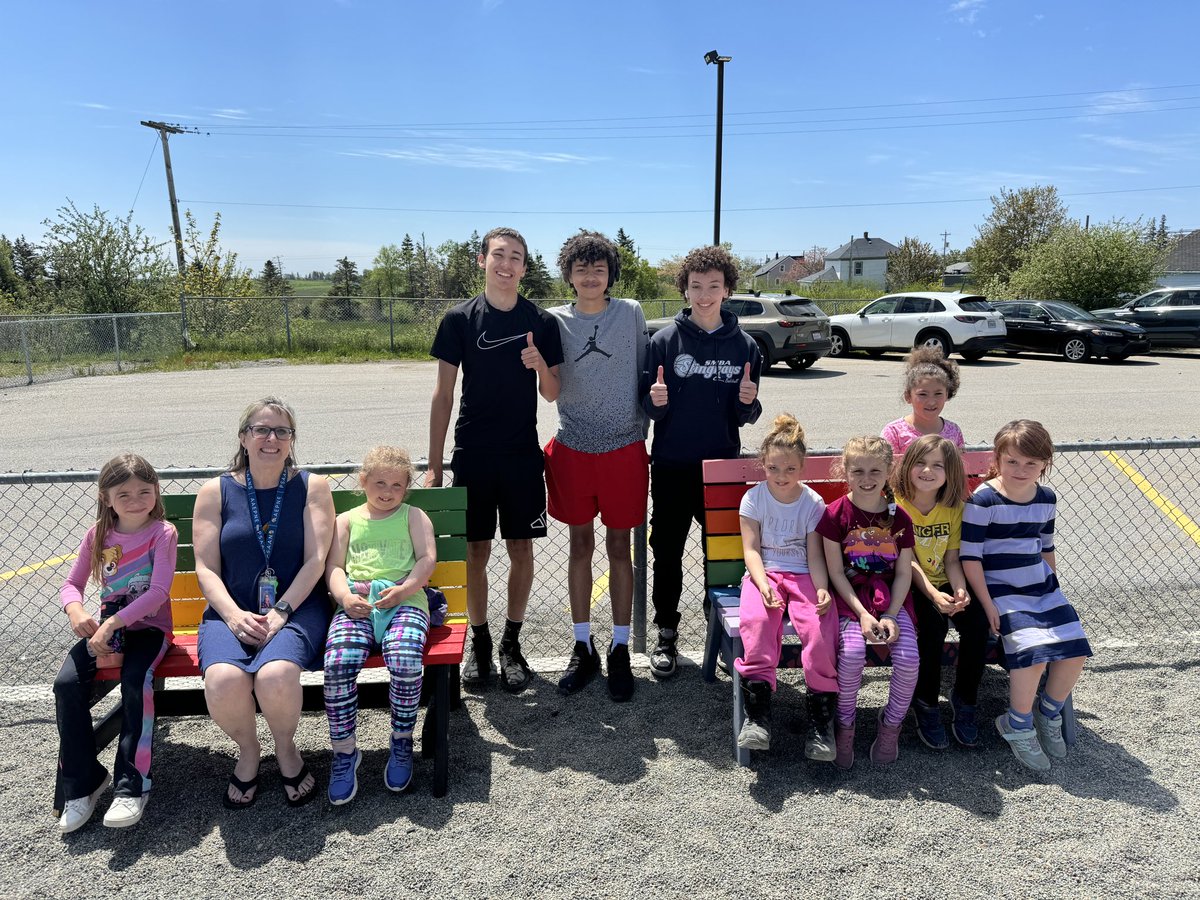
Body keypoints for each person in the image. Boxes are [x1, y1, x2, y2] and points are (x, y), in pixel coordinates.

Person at [429, 227, 564, 693]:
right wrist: (433, 464)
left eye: (516, 258)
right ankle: (480, 643)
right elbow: (443, 395)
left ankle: (511, 643)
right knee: (475, 551)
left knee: (521, 549)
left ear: (525, 268)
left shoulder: (541, 322)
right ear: (483, 260)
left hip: (521, 455)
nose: (507, 264)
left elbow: (553, 393)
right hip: (473, 453)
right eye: (499, 255)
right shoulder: (459, 320)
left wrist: (538, 365)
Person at [193, 397, 334, 809]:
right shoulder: (215, 491)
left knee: (275, 676)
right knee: (223, 681)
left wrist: (281, 612)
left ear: (291, 440)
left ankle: (287, 750)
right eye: (261, 429)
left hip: (297, 606)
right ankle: (250, 751)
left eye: (282, 431)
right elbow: (205, 567)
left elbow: (316, 561)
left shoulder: (312, 486)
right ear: (244, 437)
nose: (271, 439)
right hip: (230, 610)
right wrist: (234, 616)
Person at [640, 245, 762, 678]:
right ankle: (666, 634)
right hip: (672, 465)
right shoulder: (663, 342)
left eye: (714, 286)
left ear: (727, 289)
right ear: (685, 290)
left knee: (723, 556)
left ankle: (723, 636)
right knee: (667, 553)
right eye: (696, 287)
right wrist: (654, 403)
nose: (705, 294)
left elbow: (744, 415)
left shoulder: (746, 347)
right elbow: (648, 409)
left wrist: (749, 403)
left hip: (722, 470)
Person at [546, 231, 649, 702]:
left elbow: (649, 374)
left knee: (621, 548)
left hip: (624, 446)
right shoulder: (554, 321)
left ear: (611, 274)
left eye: (599, 268)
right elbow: (548, 384)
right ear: (568, 274)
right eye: (582, 268)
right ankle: (582, 644)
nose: (591, 276)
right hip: (574, 446)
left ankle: (621, 646)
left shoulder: (629, 314)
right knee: (580, 545)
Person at [54, 454, 178, 833]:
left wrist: (113, 622)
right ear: (106, 497)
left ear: (156, 492)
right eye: (124, 493)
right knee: (66, 685)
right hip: (109, 631)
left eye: (145, 490)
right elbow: (70, 585)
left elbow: (158, 592)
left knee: (136, 680)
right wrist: (76, 613)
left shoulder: (163, 533)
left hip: (149, 630)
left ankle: (132, 784)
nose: (137, 499)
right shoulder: (97, 534)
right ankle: (84, 781)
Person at [961, 420, 1091, 772]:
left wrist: (1055, 591)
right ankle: (1017, 725)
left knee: (1075, 648)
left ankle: (1048, 713)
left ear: (1045, 464)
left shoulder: (1046, 498)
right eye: (1012, 461)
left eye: (1031, 463)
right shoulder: (983, 499)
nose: (1021, 470)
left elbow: (1045, 547)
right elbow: (970, 557)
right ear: (997, 458)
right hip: (1000, 590)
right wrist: (987, 604)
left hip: (1039, 586)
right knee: (1033, 653)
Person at [323, 447, 436, 803]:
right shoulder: (347, 520)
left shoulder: (413, 516)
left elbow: (426, 560)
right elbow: (335, 568)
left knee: (404, 659)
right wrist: (343, 597)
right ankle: (344, 751)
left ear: (406, 489)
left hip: (404, 600)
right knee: (338, 663)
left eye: (397, 485)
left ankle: (402, 741)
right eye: (380, 483)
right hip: (358, 603)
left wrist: (404, 590)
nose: (387, 491)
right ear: (364, 481)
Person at [733, 415, 838, 760]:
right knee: (759, 624)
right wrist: (763, 585)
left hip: (804, 575)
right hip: (765, 574)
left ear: (802, 467)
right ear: (763, 464)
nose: (782, 476)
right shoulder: (753, 499)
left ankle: (821, 725)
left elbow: (815, 556)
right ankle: (757, 718)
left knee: (821, 631)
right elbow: (751, 550)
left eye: (790, 469)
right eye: (774, 468)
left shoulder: (812, 503)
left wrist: (822, 588)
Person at [818, 436, 918, 769]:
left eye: (875, 470)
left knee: (907, 659)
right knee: (852, 655)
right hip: (851, 601)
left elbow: (903, 573)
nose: (867, 478)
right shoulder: (835, 515)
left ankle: (890, 726)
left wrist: (890, 615)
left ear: (889, 470)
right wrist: (861, 615)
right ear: (844, 471)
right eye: (857, 470)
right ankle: (844, 725)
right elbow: (835, 573)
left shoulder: (899, 518)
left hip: (890, 599)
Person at [891, 435, 989, 750]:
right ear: (907, 467)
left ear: (949, 473)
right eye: (920, 462)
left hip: (944, 578)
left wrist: (960, 589)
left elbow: (951, 558)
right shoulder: (897, 505)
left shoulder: (954, 508)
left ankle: (965, 698)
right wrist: (934, 594)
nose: (927, 471)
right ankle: (927, 703)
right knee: (931, 628)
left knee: (976, 624)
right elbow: (908, 564)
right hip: (911, 582)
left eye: (937, 465)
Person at [881, 347, 964, 456]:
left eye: (938, 394)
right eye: (922, 394)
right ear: (908, 396)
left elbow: (960, 470)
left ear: (947, 394)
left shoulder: (954, 431)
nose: (931, 402)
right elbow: (885, 471)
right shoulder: (894, 432)